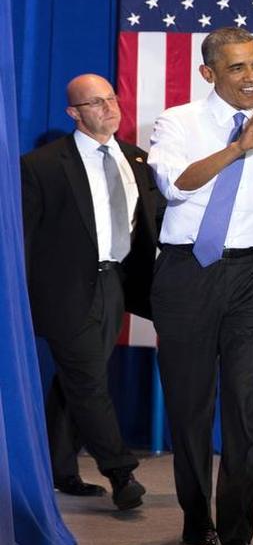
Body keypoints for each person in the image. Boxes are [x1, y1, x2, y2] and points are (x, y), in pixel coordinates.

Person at [147, 27, 253, 545]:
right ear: (209, 73)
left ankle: (238, 539)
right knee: (191, 406)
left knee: (246, 407)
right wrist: (239, 147)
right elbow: (175, 185)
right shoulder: (177, 122)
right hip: (186, 274)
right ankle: (197, 514)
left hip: (252, 277)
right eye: (238, 67)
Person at [20, 74, 160, 511]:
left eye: (112, 99)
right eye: (96, 102)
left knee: (77, 380)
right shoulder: (41, 165)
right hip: (63, 291)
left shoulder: (137, 159)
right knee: (88, 380)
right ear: (74, 113)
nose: (109, 108)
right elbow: (24, 237)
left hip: (115, 284)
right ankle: (121, 472)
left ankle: (59, 471)